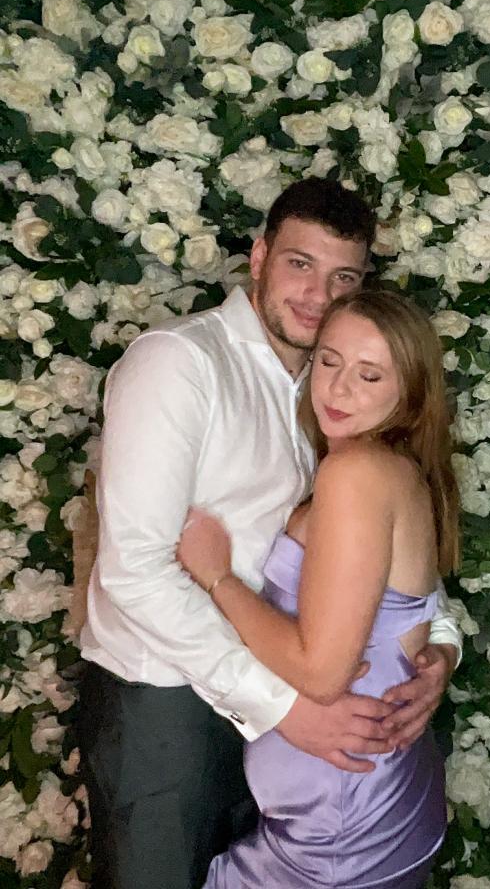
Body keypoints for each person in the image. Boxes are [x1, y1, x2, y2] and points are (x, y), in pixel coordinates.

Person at [76, 178, 462, 889]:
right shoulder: (179, 363)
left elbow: (380, 552)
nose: (319, 293)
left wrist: (440, 643)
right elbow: (136, 570)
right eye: (299, 263)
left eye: (343, 276)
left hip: (288, 714)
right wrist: (281, 706)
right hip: (171, 706)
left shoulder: (334, 387)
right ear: (258, 258)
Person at [178, 289, 459, 889]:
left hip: (339, 825)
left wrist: (217, 577)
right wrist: (446, 648)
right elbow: (408, 607)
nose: (338, 387)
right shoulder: (380, 465)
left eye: (369, 375)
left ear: (409, 392)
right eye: (329, 361)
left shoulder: (356, 473)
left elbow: (322, 673)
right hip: (362, 799)